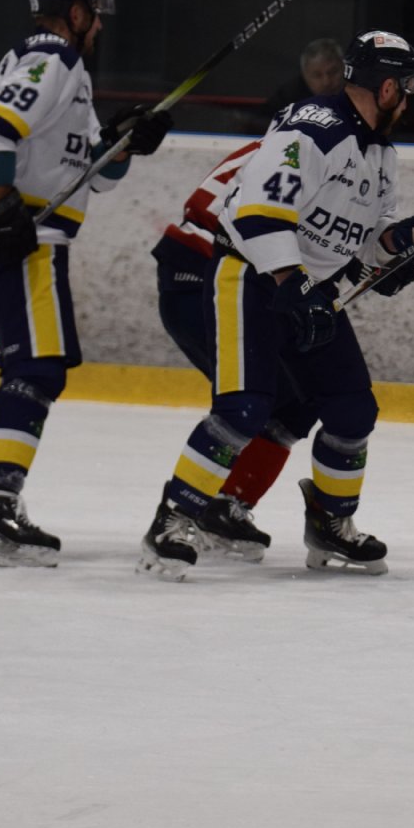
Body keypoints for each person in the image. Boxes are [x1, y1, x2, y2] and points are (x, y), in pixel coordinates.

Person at [139, 30, 414, 581]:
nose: (411, 101)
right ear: (387, 88)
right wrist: (292, 283)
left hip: (305, 287)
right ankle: (172, 520)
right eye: (408, 89)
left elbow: (371, 239)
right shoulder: (311, 130)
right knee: (244, 408)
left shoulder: (381, 154)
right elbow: (257, 214)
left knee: (351, 408)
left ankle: (330, 523)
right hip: (248, 275)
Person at [0, 0, 172, 568]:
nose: (99, 24)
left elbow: (93, 177)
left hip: (16, 236)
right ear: (74, 12)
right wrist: (5, 204)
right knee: (38, 369)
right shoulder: (53, 59)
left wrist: (125, 144)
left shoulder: (64, 69)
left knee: (31, 370)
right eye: (93, 13)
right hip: (23, 238)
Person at [149, 138, 299, 561]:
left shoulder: (282, 140)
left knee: (288, 401)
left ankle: (220, 507)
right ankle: (184, 513)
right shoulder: (309, 148)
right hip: (210, 274)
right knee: (255, 402)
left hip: (197, 273)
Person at [258, 37, 345, 129]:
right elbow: (263, 122)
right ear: (304, 75)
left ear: (344, 68)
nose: (326, 82)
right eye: (317, 75)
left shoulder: (355, 89)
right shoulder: (289, 96)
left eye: (333, 72)